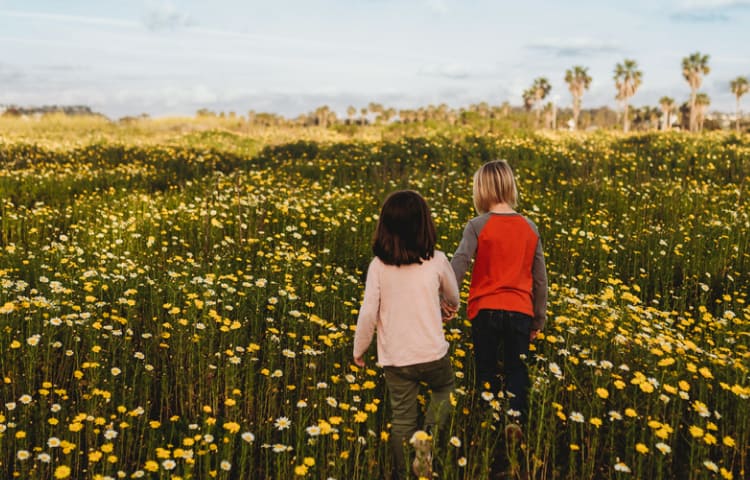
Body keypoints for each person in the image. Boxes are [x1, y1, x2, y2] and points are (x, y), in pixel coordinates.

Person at [353, 190, 460, 479]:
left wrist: (359, 348)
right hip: (432, 354)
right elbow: (453, 294)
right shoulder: (436, 260)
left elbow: (368, 312)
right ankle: (427, 438)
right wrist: (448, 306)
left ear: (384, 228)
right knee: (444, 390)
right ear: (425, 225)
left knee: (402, 416)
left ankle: (403, 473)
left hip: (396, 359)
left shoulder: (378, 267)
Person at [450, 159, 548, 439]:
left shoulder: (477, 225)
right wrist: (537, 319)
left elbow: (459, 263)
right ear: (510, 186)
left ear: (480, 190)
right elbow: (540, 280)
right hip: (520, 311)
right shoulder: (529, 227)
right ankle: (514, 419)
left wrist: (448, 300)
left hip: (485, 310)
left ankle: (486, 422)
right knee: (518, 369)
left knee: (486, 368)